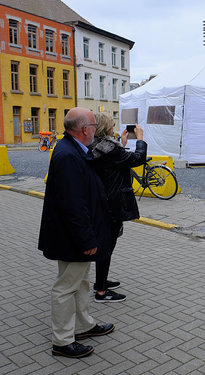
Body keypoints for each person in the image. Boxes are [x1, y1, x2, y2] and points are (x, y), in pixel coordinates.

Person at [38, 107, 115, 358]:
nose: (95, 130)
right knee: (66, 286)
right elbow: (73, 205)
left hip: (73, 234)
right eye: (93, 125)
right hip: (72, 237)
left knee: (80, 282)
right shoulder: (68, 155)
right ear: (84, 129)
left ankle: (83, 325)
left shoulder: (74, 149)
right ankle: (61, 340)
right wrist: (87, 239)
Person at [90, 113, 147, 303]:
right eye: (112, 125)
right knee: (107, 245)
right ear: (106, 127)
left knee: (105, 244)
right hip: (113, 202)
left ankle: (102, 282)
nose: (113, 128)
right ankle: (101, 291)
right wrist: (139, 139)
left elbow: (113, 162)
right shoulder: (110, 148)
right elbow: (137, 159)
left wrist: (121, 144)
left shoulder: (95, 146)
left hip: (102, 199)